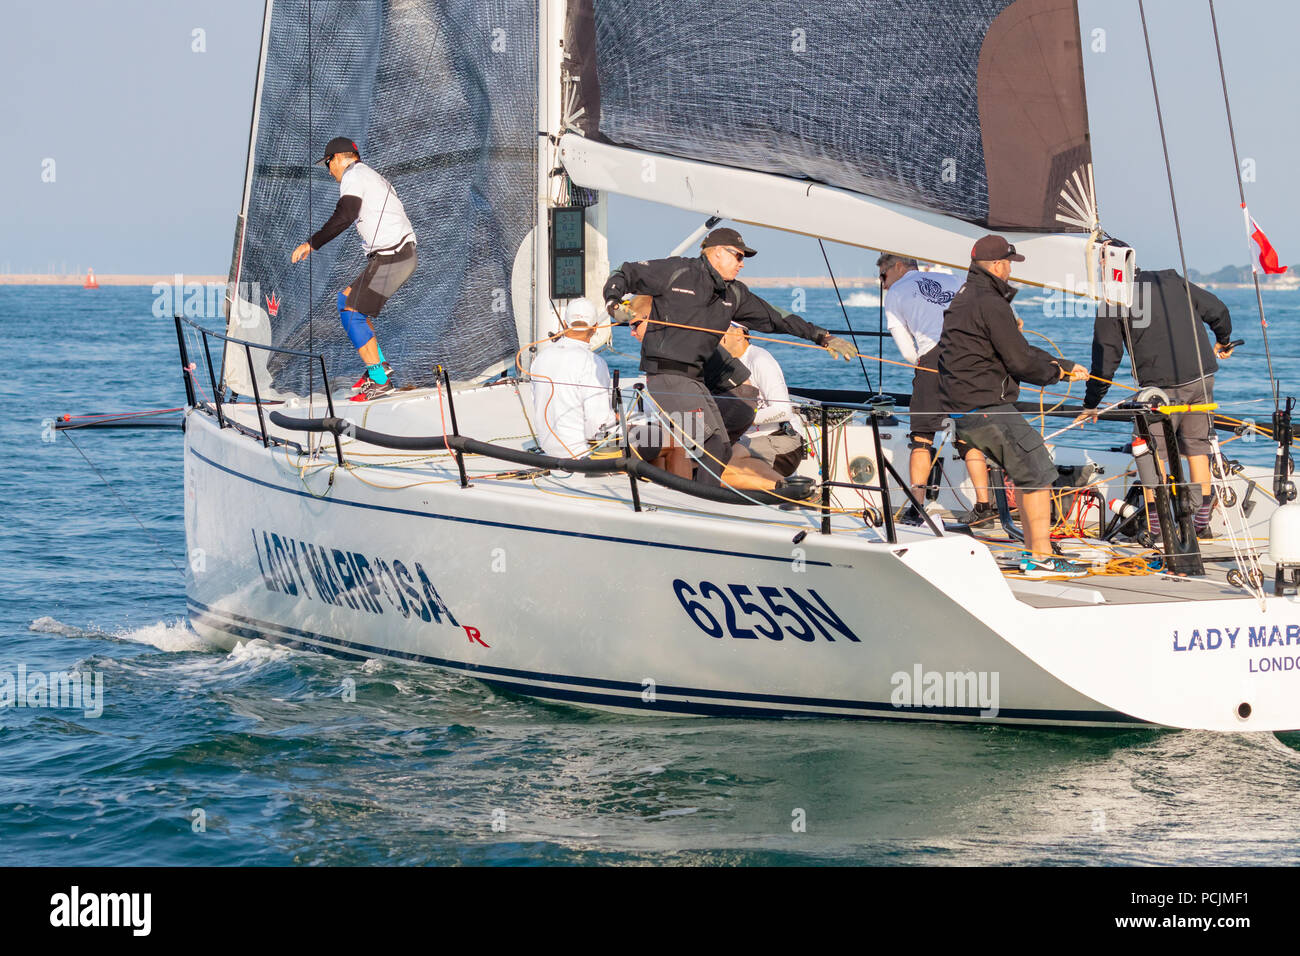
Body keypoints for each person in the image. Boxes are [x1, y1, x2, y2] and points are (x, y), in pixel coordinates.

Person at [603, 227, 858, 489]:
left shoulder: (734, 294)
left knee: (724, 443)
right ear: (716, 253)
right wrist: (614, 304)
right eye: (738, 256)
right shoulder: (676, 271)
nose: (742, 264)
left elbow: (776, 317)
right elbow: (623, 272)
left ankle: (706, 497)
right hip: (666, 375)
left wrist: (822, 336)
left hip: (695, 380)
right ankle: (704, 502)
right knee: (711, 442)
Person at [937, 235, 1090, 577]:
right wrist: (1056, 374)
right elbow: (1019, 361)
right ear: (995, 266)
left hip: (965, 409)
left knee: (1027, 473)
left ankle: (1034, 553)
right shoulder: (991, 303)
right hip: (987, 407)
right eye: (1008, 263)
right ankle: (1040, 558)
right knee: (1037, 471)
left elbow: (1012, 349)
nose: (1011, 270)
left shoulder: (966, 297)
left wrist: (1060, 364)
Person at [1074, 264, 1234, 537]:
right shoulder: (1171, 280)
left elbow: (1105, 359)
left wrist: (1091, 403)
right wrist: (1224, 340)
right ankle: (1200, 525)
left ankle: (1158, 527)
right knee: (1198, 446)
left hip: (1160, 387)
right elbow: (1217, 310)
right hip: (1202, 376)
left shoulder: (1114, 299)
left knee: (1150, 451)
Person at [291, 136, 417, 403]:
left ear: (336, 158)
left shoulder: (353, 174)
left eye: (328, 164)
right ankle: (379, 367)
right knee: (345, 300)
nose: (329, 171)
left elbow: (346, 214)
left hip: (393, 256)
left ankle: (381, 382)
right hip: (395, 255)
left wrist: (311, 243)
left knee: (352, 314)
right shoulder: (369, 175)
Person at [878, 253, 994, 525]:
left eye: (883, 275)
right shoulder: (953, 279)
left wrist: (923, 362)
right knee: (969, 436)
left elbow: (908, 351)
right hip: (970, 360)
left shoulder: (896, 292)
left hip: (932, 359)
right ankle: (984, 508)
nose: (883, 283)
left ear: (897, 267)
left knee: (922, 437)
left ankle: (917, 508)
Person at [528, 299, 615, 458]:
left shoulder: (540, 358)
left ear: (565, 324)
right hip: (580, 454)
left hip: (548, 450)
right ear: (595, 327)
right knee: (651, 436)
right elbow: (597, 425)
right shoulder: (593, 363)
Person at [719, 323, 806, 476]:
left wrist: (743, 419)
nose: (715, 338)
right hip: (743, 438)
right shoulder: (721, 364)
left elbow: (783, 411)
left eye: (721, 333)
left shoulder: (760, 360)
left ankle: (790, 491)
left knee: (723, 460)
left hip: (780, 437)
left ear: (739, 334)